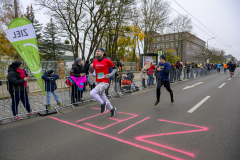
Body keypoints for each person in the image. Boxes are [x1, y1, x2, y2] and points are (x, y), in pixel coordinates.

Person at [89, 47, 118, 117]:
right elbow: (91, 71)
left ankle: (102, 104)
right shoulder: (95, 61)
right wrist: (90, 66)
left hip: (105, 82)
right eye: (96, 51)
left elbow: (115, 69)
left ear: (103, 52)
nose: (97, 52)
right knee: (103, 97)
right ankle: (112, 109)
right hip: (98, 82)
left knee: (92, 93)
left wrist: (110, 75)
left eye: (99, 51)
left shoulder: (107, 61)